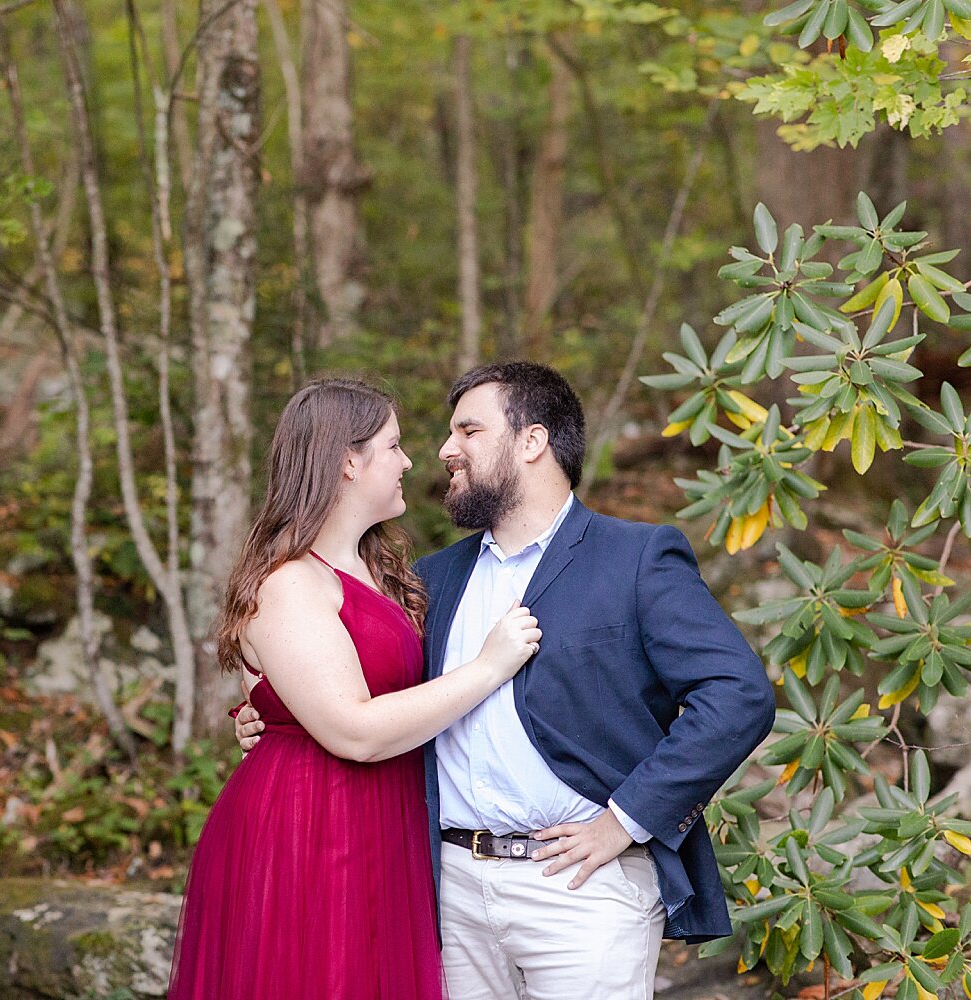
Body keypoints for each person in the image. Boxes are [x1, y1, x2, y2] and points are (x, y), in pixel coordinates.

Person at [236, 362, 774, 1000]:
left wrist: (626, 821)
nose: (443, 451)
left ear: (531, 442)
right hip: (447, 889)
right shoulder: (430, 580)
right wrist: (277, 719)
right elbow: (364, 692)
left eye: (469, 430)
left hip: (582, 886)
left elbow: (738, 696)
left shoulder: (634, 558)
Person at [168, 378, 543, 1000]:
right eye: (393, 446)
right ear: (348, 461)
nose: (409, 461)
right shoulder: (289, 583)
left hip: (380, 819)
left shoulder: (380, 570)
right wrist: (487, 667)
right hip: (312, 826)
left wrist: (263, 708)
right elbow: (354, 729)